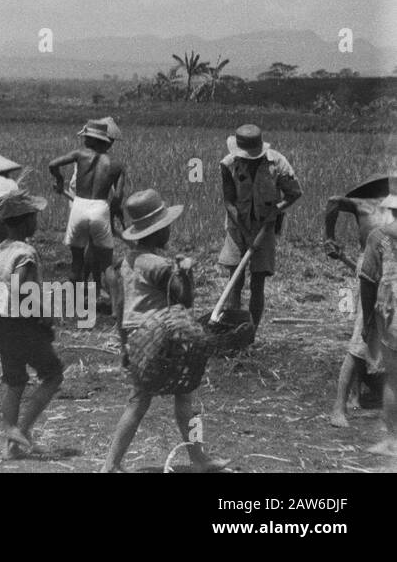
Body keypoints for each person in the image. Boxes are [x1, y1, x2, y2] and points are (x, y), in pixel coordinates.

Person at [101, 190, 228, 473]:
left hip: (137, 337)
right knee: (184, 396)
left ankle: (111, 464)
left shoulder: (127, 263)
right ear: (158, 232)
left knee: (138, 401)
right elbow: (185, 300)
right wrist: (186, 273)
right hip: (161, 337)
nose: (169, 230)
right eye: (166, 226)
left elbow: (121, 310)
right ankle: (198, 459)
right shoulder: (159, 265)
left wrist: (125, 348)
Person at [0, 190, 63, 459]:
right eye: (34, 216)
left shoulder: (1, 250)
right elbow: (21, 289)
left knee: (15, 382)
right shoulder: (26, 252)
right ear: (26, 220)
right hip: (22, 326)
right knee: (53, 374)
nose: (37, 221)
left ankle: (12, 441)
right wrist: (44, 316)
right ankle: (22, 430)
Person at [324, 175, 396, 427]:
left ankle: (365, 398)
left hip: (389, 276)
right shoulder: (365, 207)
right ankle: (340, 406)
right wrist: (328, 238)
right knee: (361, 338)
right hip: (372, 271)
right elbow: (333, 202)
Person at [218, 124, 302, 336]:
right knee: (235, 279)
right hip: (237, 226)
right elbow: (228, 202)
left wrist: (276, 210)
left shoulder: (277, 164)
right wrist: (245, 233)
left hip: (265, 227)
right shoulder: (228, 165)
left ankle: (251, 332)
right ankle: (232, 328)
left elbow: (294, 193)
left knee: (258, 280)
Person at [48, 117, 127, 302]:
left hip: (79, 205)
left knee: (76, 261)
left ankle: (76, 304)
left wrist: (60, 181)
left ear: (92, 140)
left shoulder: (79, 155)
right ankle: (116, 310)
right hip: (100, 207)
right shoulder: (117, 165)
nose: (84, 140)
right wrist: (114, 213)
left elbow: (53, 164)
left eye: (86, 137)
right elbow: (117, 197)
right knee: (107, 264)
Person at [359, 218, 397, 456]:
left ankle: (393, 439)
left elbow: (367, 281)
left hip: (393, 318)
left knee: (393, 380)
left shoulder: (380, 237)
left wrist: (368, 320)